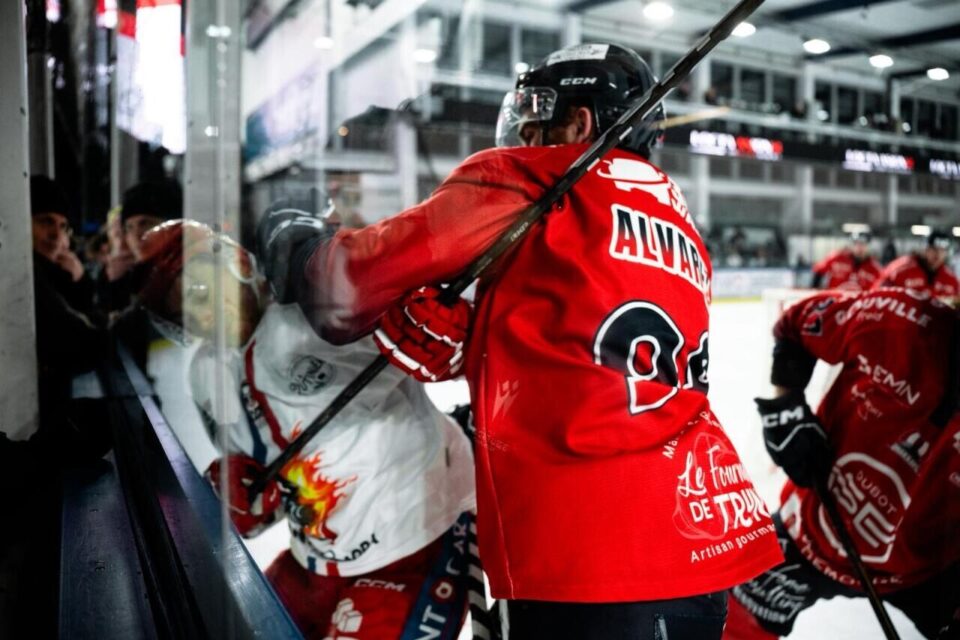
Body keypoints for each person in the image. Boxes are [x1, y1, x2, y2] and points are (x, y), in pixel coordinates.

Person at [259, 43, 782, 638]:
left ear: (581, 124)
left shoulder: (535, 178)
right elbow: (560, 344)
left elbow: (345, 286)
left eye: (540, 112)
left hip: (581, 555)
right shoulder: (680, 221)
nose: (527, 130)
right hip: (701, 541)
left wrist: (296, 240)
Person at [133, 218, 474, 640]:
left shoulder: (315, 309)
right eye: (179, 312)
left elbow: (439, 338)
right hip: (312, 561)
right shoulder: (204, 374)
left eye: (200, 291)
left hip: (413, 541)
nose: (199, 315)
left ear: (236, 259)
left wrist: (453, 341)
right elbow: (263, 480)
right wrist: (244, 498)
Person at [724, 288, 960, 639]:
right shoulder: (899, 319)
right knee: (728, 614)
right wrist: (783, 409)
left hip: (928, 572)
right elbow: (796, 324)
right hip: (815, 530)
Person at [873, 231, 958, 299]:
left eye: (942, 250)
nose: (938, 254)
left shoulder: (950, 279)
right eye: (933, 249)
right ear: (925, 249)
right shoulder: (901, 268)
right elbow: (877, 296)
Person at [810, 230, 881, 292]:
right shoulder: (837, 258)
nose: (859, 247)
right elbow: (818, 270)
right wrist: (815, 291)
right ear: (852, 245)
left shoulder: (875, 269)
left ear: (869, 246)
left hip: (859, 305)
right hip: (834, 302)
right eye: (856, 243)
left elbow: (880, 287)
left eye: (863, 244)